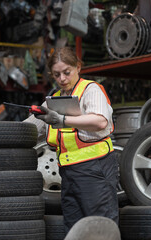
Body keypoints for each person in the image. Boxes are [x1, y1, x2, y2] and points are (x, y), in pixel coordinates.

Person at [24, 46, 119, 234]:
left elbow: (100, 121)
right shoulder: (55, 100)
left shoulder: (90, 90)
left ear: (78, 67)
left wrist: (62, 120)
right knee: (74, 229)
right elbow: (29, 128)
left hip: (95, 169)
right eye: (57, 75)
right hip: (68, 173)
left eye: (67, 72)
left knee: (100, 228)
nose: (62, 79)